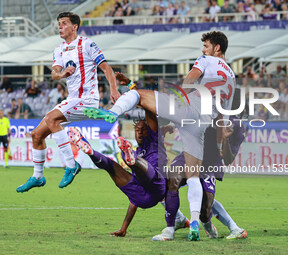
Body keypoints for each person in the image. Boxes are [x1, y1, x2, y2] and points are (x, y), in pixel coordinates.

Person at [84, 31, 236, 241]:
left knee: (139, 95)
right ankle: (193, 225)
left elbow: (190, 79)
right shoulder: (232, 77)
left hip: (190, 109)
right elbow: (222, 115)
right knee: (192, 176)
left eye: (206, 45)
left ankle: (112, 112)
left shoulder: (206, 60)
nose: (203, 49)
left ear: (217, 48)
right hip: (202, 125)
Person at [16, 12, 120, 193]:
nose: (60, 27)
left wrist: (113, 89)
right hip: (72, 100)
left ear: (75, 27)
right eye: (59, 24)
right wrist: (62, 74)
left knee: (51, 119)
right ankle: (38, 176)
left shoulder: (87, 44)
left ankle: (71, 165)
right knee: (36, 135)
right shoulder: (59, 50)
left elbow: (106, 67)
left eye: (64, 23)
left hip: (87, 99)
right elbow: (54, 73)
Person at [68, 112, 188, 236]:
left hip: (158, 186)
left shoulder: (155, 141)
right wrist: (123, 228)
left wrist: (142, 101)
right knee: (111, 166)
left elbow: (152, 115)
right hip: (143, 198)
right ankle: (91, 152)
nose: (140, 132)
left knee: (145, 171)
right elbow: (133, 201)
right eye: (137, 130)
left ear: (150, 131)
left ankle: (132, 163)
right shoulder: (137, 152)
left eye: (144, 129)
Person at [152, 89, 248, 241]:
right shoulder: (208, 106)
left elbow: (228, 159)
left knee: (205, 208)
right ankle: (170, 229)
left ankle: (211, 224)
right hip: (190, 154)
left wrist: (225, 140)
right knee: (172, 180)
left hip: (210, 162)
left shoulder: (237, 126)